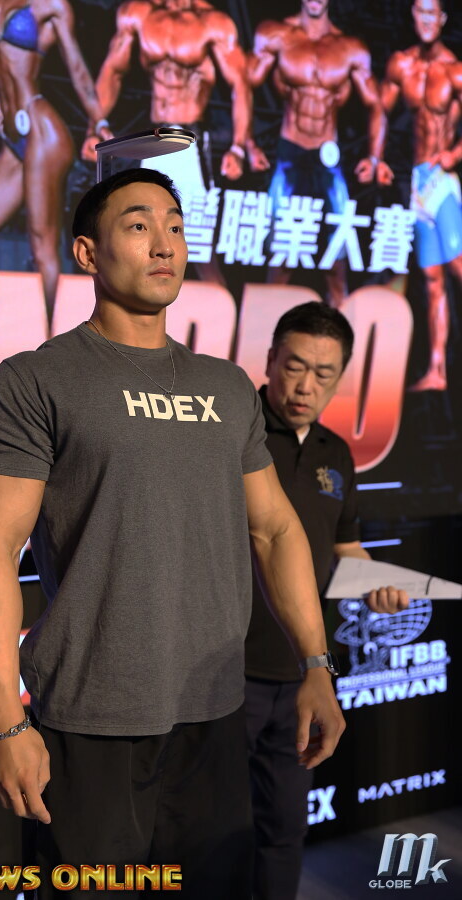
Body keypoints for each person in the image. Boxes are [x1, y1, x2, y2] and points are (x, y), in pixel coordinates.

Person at [0, 168, 345, 899]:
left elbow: (275, 530)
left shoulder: (226, 387)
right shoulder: (34, 381)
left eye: (174, 225)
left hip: (215, 713)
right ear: (87, 253)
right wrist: (5, 722)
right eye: (138, 226)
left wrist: (316, 664)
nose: (164, 243)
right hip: (90, 723)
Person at [244, 301, 409, 900]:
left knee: (284, 830)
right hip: (221, 673)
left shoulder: (336, 452)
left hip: (302, 675)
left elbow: (344, 546)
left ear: (341, 378)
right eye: (294, 367)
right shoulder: (233, 432)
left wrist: (376, 584)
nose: (305, 386)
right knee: (209, 832)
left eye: (323, 374)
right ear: (270, 360)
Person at [0, 0, 112, 391]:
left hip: (42, 130)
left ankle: (57, 368)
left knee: (42, 245)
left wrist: (98, 120)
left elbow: (77, 68)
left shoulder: (49, 5)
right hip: (12, 139)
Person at [248, 0, 392, 306]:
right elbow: (243, 84)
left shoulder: (350, 48)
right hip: (290, 153)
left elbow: (376, 104)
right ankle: (265, 328)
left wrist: (375, 157)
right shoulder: (278, 35)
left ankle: (340, 327)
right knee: (280, 253)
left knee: (337, 255)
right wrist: (245, 143)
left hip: (328, 157)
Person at [88, 0, 263, 193]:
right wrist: (93, 128)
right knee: (140, 208)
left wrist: (238, 147)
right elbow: (112, 71)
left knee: (188, 210)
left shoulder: (213, 22)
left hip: (189, 142)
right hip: (150, 137)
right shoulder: (138, 13)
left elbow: (240, 84)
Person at [382, 0, 462, 392]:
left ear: (443, 19)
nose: (426, 20)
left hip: (442, 181)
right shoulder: (404, 64)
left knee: (458, 266)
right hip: (418, 181)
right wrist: (376, 157)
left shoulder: (456, 69)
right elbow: (380, 111)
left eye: (433, 13)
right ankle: (436, 369)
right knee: (431, 279)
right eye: (420, 12)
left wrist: (454, 154)